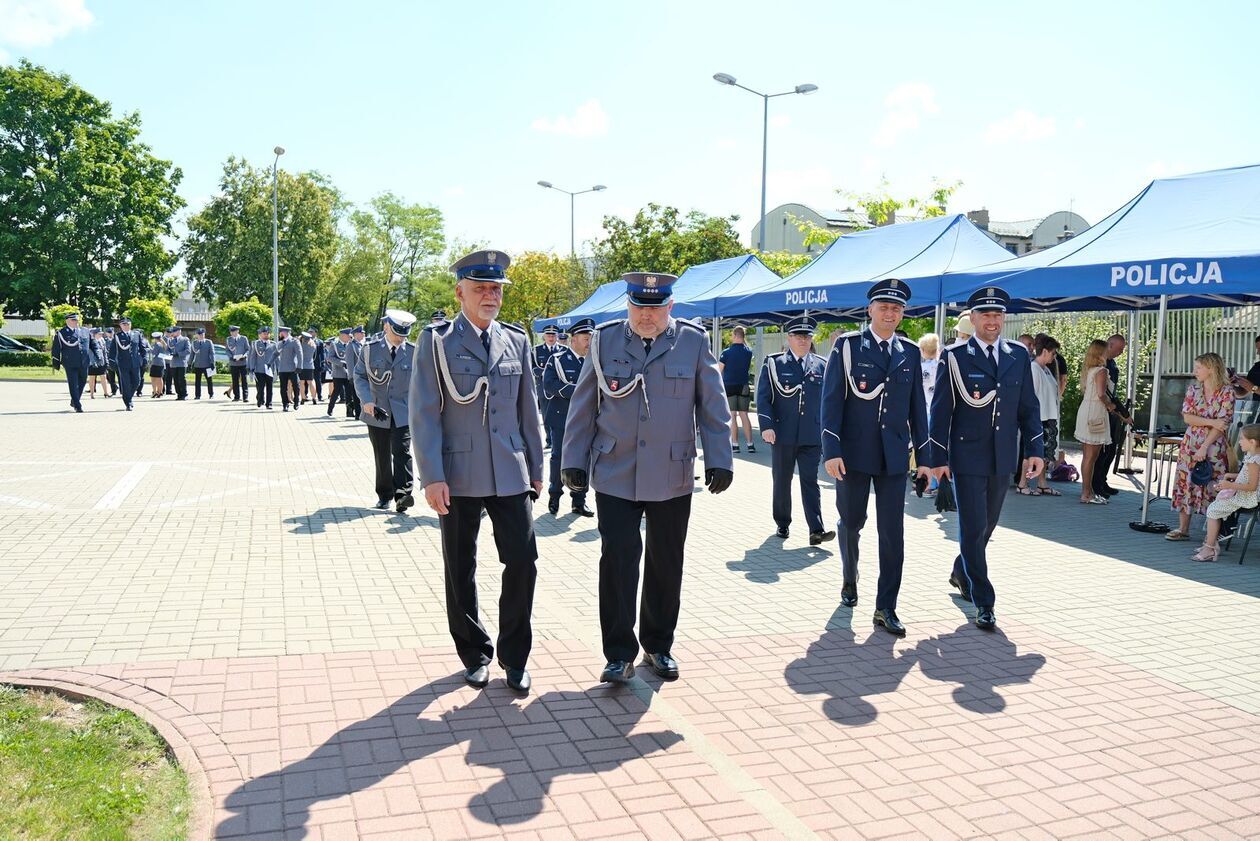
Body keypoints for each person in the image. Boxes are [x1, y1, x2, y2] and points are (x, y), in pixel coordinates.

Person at [561, 271, 733, 685]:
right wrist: (573, 460)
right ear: (628, 305)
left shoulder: (692, 341)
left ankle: (658, 646)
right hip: (616, 469)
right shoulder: (604, 341)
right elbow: (584, 406)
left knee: (665, 562)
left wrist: (720, 458)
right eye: (640, 306)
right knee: (618, 561)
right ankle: (618, 654)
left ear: (670, 307)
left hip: (672, 472)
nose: (647, 315)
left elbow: (712, 403)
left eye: (656, 308)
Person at [411, 249, 544, 694]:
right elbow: (424, 412)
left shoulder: (517, 341)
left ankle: (515, 655)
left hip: (509, 468)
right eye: (481, 288)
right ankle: (474, 651)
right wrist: (431, 476)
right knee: (460, 567)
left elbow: (529, 409)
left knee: (523, 561)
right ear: (460, 292)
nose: (491, 296)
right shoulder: (436, 342)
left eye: (496, 289)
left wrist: (538, 468)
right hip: (458, 470)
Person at [926, 286, 1044, 631]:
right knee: (974, 526)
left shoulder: (1018, 356)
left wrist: (1035, 451)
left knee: (987, 526)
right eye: (985, 315)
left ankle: (961, 570)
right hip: (966, 454)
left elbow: (1029, 407)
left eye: (997, 315)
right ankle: (984, 600)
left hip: (1002, 454)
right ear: (972, 318)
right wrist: (937, 457)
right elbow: (941, 410)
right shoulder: (955, 356)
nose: (992, 321)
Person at [822, 278, 931, 636]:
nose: (890, 313)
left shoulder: (910, 352)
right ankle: (849, 576)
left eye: (896, 308)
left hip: (895, 456)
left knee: (893, 533)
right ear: (870, 310)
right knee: (851, 522)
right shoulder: (849, 347)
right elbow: (832, 400)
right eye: (884, 307)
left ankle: (886, 606)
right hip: (852, 454)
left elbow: (918, 409)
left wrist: (925, 459)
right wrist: (831, 451)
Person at [756, 315, 833, 545]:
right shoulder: (774, 363)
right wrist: (767, 426)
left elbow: (829, 402)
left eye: (807, 336)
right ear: (789, 338)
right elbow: (763, 398)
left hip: (812, 435)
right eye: (798, 336)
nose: (803, 340)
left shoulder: (822, 364)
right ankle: (782, 523)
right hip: (783, 434)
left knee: (811, 481)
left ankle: (816, 529)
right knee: (782, 481)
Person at [1166, 352, 1235, 542]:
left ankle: (1213, 534)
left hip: (1214, 446)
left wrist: (1205, 445)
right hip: (1190, 444)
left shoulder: (1227, 392)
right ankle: (1183, 528)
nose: (1194, 371)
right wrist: (1211, 422)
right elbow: (1187, 417)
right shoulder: (1193, 390)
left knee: (1213, 486)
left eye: (1198, 368)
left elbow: (1223, 424)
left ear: (1211, 369)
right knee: (1186, 481)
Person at [354, 310, 417, 512]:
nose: (401, 338)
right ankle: (384, 495)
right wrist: (366, 401)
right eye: (397, 333)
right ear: (387, 326)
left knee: (402, 451)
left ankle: (403, 494)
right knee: (381, 454)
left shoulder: (414, 352)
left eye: (404, 334)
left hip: (403, 410)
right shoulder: (370, 350)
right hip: (377, 410)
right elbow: (360, 375)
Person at [541, 317, 594, 517]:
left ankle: (579, 501)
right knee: (558, 458)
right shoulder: (557, 360)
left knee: (583, 458)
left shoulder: (594, 360)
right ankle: (555, 496)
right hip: (561, 417)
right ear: (573, 340)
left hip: (586, 418)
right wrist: (579, 391)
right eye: (585, 337)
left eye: (591, 337)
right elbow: (549, 385)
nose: (589, 342)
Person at [1192, 424, 1260, 562]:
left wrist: (1229, 484)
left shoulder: (1254, 461)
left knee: (1213, 510)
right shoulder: (1252, 456)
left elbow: (1252, 486)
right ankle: (1212, 541)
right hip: (1244, 493)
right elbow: (1247, 477)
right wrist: (1231, 475)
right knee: (1216, 504)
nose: (1239, 442)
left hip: (1248, 497)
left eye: (1242, 439)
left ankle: (1210, 547)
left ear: (1252, 442)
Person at [1018, 333, 1062, 496]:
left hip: (1048, 416)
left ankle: (1042, 483)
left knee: (1044, 453)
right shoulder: (1034, 369)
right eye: (1052, 353)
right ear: (1044, 351)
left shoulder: (1046, 370)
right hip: (1038, 418)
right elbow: (1030, 396)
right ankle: (1023, 482)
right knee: (1031, 451)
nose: (1054, 356)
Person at [1092, 333, 1132, 497]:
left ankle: (1102, 480)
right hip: (1101, 410)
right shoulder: (1100, 365)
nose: (1121, 352)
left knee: (1111, 449)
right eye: (1120, 348)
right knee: (1101, 451)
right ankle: (1096, 484)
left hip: (1111, 410)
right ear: (1110, 345)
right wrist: (1122, 412)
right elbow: (1105, 393)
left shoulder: (1112, 364)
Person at [1075, 339, 1113, 505]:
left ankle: (1087, 491)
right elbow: (1101, 394)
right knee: (1092, 455)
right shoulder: (1101, 371)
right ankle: (1087, 493)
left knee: (1087, 455)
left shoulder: (1089, 369)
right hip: (1096, 412)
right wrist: (1110, 405)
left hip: (1086, 410)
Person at [719, 325, 756, 453]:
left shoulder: (726, 353)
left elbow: (719, 370)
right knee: (744, 414)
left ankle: (735, 444)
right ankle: (750, 444)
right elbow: (746, 349)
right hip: (744, 385)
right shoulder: (749, 352)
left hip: (729, 385)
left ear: (734, 335)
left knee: (732, 415)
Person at [50, 312, 92, 412]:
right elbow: (56, 349)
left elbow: (92, 344)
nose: (76, 322)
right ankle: (77, 405)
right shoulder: (61, 333)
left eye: (77, 320)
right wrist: (56, 363)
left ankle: (74, 399)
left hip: (83, 361)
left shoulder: (85, 331)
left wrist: (98, 354)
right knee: (73, 383)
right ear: (67, 321)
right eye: (73, 320)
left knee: (82, 382)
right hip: (70, 362)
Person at [918, 333, 941, 494]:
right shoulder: (941, 366)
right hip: (939, 411)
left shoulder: (922, 368)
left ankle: (931, 483)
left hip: (925, 411)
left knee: (928, 449)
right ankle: (940, 481)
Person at [109, 317, 147, 412]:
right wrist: (112, 361)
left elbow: (142, 348)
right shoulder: (117, 336)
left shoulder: (136, 334)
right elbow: (112, 350)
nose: (126, 326)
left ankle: (128, 396)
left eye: (128, 324)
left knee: (137, 382)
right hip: (123, 363)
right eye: (124, 324)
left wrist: (144, 358)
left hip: (135, 363)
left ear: (131, 325)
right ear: (120, 326)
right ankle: (128, 402)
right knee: (126, 384)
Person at [532, 325, 561, 447]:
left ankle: (559, 438)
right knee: (546, 413)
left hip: (558, 387)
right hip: (543, 387)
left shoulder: (563, 349)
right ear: (544, 336)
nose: (551, 337)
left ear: (557, 336)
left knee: (560, 413)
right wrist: (545, 372)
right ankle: (549, 439)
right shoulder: (536, 350)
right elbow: (531, 368)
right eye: (548, 335)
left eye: (553, 335)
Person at [326, 328, 354, 416]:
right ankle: (330, 409)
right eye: (348, 336)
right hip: (339, 373)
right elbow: (330, 358)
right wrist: (341, 363)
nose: (350, 337)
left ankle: (349, 412)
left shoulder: (351, 345)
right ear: (342, 335)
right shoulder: (334, 345)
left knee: (349, 393)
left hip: (348, 373)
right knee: (336, 391)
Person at [248, 326, 277, 410]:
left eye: (268, 333)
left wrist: (278, 369)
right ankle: (260, 399)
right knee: (260, 387)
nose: (266, 335)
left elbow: (277, 358)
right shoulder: (256, 344)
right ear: (260, 335)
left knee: (269, 387)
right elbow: (253, 357)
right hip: (259, 369)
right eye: (264, 333)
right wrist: (251, 368)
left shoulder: (273, 344)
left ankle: (269, 403)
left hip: (269, 369)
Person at [276, 326, 301, 411]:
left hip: (293, 368)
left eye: (280, 332)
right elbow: (276, 354)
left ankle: (296, 401)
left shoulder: (294, 341)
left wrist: (299, 366)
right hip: (282, 369)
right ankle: (285, 404)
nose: (280, 334)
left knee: (296, 386)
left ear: (284, 332)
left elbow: (300, 354)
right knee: (283, 388)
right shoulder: (280, 343)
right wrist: (270, 363)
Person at [225, 325, 250, 402]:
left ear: (238, 331)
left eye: (234, 331)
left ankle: (245, 397)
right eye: (231, 332)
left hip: (243, 362)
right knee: (235, 380)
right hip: (233, 363)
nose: (232, 333)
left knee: (244, 380)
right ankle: (236, 397)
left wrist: (245, 356)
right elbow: (227, 350)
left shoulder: (243, 338)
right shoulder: (228, 339)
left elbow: (248, 349)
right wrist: (231, 357)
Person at [190, 327, 216, 399]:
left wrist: (212, 362)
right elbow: (192, 354)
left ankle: (211, 394)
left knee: (209, 381)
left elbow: (212, 353)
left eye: (202, 334)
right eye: (199, 335)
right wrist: (189, 363)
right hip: (198, 365)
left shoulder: (208, 342)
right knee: (197, 381)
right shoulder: (194, 343)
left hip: (207, 364)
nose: (201, 336)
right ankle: (197, 395)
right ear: (197, 335)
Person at [347, 326, 366, 419]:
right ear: (356, 335)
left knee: (361, 395)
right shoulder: (351, 345)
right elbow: (350, 362)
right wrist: (351, 376)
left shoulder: (361, 345)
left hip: (363, 374)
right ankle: (358, 414)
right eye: (361, 333)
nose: (363, 334)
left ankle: (359, 411)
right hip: (355, 374)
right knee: (356, 395)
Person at [166, 326, 190, 400]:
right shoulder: (171, 340)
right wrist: (168, 354)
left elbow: (188, 350)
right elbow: (168, 349)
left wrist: (178, 354)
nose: (172, 333)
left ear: (179, 331)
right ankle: (179, 394)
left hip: (181, 362)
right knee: (175, 379)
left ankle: (184, 394)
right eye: (172, 332)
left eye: (174, 331)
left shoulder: (185, 339)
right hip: (173, 363)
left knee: (181, 379)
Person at [87, 327, 109, 399]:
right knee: (92, 378)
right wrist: (93, 362)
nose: (101, 335)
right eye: (99, 334)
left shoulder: (102, 341)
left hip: (101, 362)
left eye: (101, 334)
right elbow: (90, 353)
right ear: (94, 334)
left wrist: (106, 361)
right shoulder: (90, 341)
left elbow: (104, 352)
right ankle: (92, 394)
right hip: (92, 363)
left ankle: (106, 393)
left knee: (103, 377)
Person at [299, 332, 318, 404]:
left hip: (302, 366)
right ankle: (314, 398)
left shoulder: (301, 345)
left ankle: (303, 398)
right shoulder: (313, 345)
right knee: (311, 382)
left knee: (302, 382)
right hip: (310, 365)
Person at [147, 332, 167, 397]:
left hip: (156, 363)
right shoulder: (163, 344)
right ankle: (160, 392)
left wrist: (149, 348)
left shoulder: (157, 344)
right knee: (159, 378)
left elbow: (153, 352)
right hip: (161, 363)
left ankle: (155, 392)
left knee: (153, 378)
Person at [309, 326, 325, 402]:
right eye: (309, 332)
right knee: (307, 380)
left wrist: (322, 363)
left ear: (315, 333)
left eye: (311, 332)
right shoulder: (306, 341)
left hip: (317, 363)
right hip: (308, 364)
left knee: (318, 380)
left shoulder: (320, 342)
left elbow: (322, 354)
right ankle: (306, 395)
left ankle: (319, 395)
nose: (310, 333)